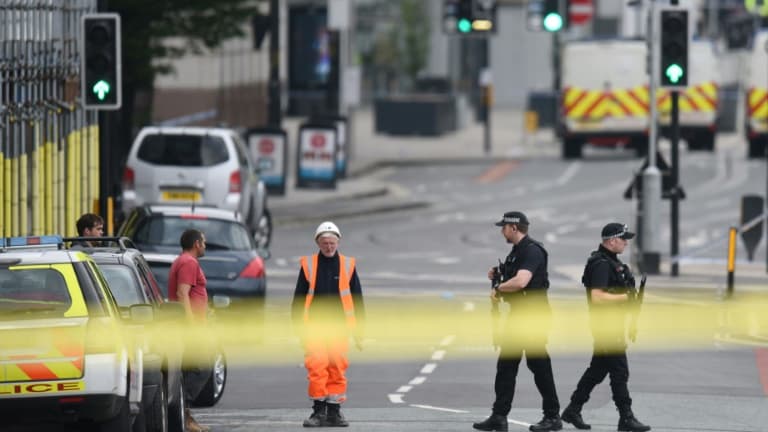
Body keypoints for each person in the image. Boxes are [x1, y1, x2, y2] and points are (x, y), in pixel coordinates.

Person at [474, 211, 562, 432]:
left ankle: (552, 417)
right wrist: (499, 272)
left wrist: (499, 288)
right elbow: (515, 274)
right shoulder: (517, 252)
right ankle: (499, 416)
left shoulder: (532, 250)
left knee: (539, 366)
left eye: (503, 227)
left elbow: (522, 281)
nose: (501, 231)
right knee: (506, 366)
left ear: (514, 228)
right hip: (518, 315)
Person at [560, 223, 651, 432]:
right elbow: (597, 297)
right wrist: (626, 297)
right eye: (623, 239)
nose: (626, 243)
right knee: (620, 372)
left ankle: (573, 409)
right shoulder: (601, 264)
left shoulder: (613, 263)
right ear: (611, 240)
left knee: (598, 371)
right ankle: (626, 417)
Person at [291, 221, 365, 428]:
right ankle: (318, 412)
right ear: (318, 243)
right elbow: (298, 297)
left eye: (332, 242)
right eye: (325, 242)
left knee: (337, 368)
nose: (329, 246)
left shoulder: (348, 265)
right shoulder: (309, 265)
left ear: (338, 242)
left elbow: (357, 298)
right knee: (317, 368)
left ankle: (334, 412)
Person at [168, 229, 211, 432]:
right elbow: (182, 293)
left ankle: (186, 415)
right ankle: (183, 406)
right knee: (202, 365)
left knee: (191, 368)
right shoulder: (188, 262)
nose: (205, 245)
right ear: (196, 243)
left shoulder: (184, 261)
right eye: (203, 242)